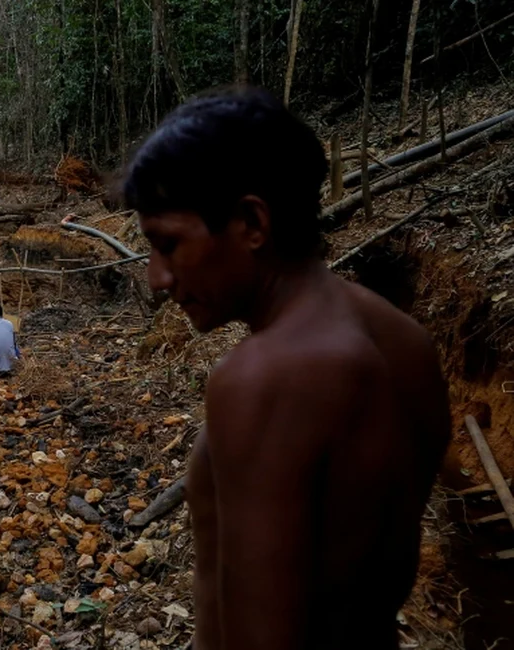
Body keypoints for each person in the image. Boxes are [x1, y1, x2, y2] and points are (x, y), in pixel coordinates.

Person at [121, 87, 450, 650]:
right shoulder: (404, 341)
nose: (157, 278)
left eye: (168, 244)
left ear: (251, 222)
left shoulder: (267, 377)